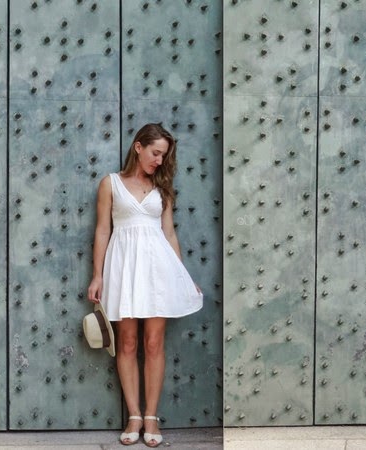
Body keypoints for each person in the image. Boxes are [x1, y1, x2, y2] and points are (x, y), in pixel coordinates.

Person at [87, 123, 203, 447]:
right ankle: (134, 415)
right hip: (124, 269)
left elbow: (169, 234)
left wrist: (183, 277)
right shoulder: (110, 184)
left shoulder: (162, 188)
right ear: (138, 147)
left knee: (153, 344)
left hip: (157, 272)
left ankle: (151, 415)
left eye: (164, 156)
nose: (160, 161)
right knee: (126, 343)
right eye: (156, 153)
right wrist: (97, 275)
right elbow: (102, 231)